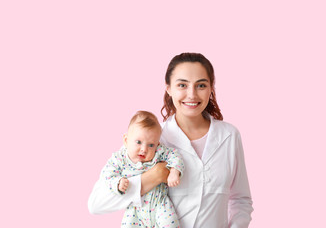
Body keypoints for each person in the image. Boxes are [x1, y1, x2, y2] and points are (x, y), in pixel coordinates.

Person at [88, 52, 253, 228]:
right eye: (182, 85)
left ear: (211, 88)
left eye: (201, 85)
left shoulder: (229, 135)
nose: (192, 94)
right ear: (168, 88)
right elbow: (96, 203)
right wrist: (152, 177)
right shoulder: (150, 139)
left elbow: (241, 200)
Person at [90, 110, 184, 227]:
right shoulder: (120, 158)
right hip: (135, 209)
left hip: (160, 204)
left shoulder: (158, 152)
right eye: (138, 142)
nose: (144, 149)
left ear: (157, 144)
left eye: (151, 145)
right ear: (126, 140)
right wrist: (117, 182)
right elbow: (107, 174)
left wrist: (175, 171)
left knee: (170, 224)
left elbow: (175, 155)